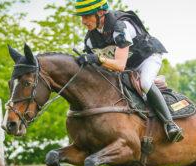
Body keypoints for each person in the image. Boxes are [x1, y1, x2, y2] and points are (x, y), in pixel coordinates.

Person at [75, 0, 184, 143]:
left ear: (100, 12)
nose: (83, 21)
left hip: (147, 58)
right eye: (81, 17)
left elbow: (119, 65)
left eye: (86, 16)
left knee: (144, 83)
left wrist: (97, 58)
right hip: (128, 65)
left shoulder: (120, 26)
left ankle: (170, 124)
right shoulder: (90, 39)